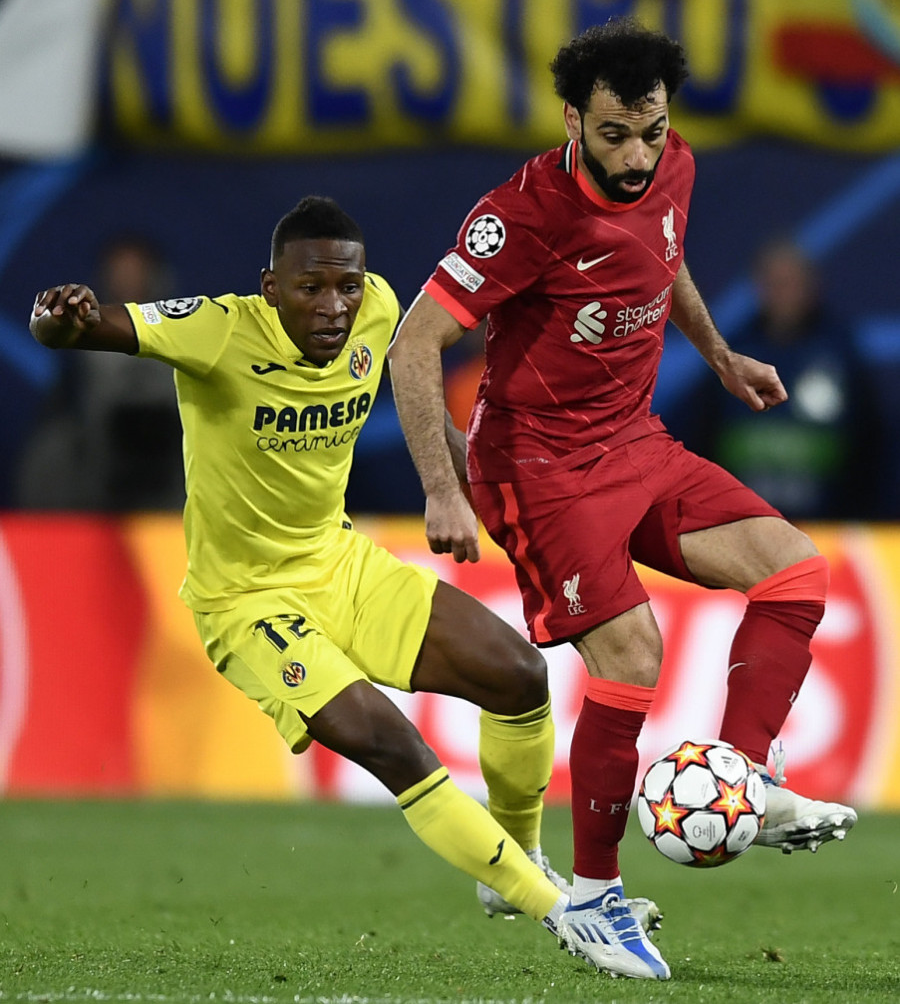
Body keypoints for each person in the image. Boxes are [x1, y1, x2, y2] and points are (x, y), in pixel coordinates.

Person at [29, 195, 663, 973]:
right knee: (395, 743)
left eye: (347, 287)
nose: (334, 306)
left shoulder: (382, 310)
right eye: (311, 289)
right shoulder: (218, 329)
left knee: (520, 675)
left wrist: (475, 490)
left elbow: (424, 402)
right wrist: (59, 317)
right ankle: (562, 912)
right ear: (271, 289)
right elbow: (84, 329)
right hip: (248, 601)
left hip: (338, 563)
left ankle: (518, 862)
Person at [387, 19, 857, 982]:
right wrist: (442, 483)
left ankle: (744, 774)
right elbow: (414, 340)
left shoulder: (673, 167)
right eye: (614, 135)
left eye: (651, 131)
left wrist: (718, 354)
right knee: (634, 655)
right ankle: (594, 896)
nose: (638, 157)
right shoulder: (523, 214)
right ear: (573, 120)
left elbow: (664, 252)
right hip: (537, 469)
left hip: (634, 441)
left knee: (795, 574)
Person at [684, 237, 875, 520]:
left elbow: (869, 444)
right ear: (758, 287)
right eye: (774, 283)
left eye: (791, 282)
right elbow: (703, 436)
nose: (783, 293)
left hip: (827, 526)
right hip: (744, 522)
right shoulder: (731, 354)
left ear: (811, 285)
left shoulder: (842, 355)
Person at [17, 233, 184, 510]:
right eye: (120, 271)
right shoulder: (80, 339)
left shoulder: (181, 332)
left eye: (135, 270)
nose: (127, 279)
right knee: (52, 448)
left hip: (173, 463)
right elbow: (67, 407)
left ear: (155, 274)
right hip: (97, 467)